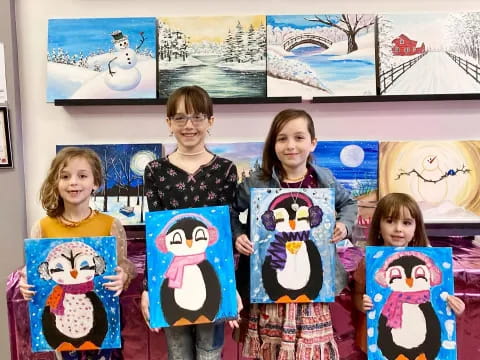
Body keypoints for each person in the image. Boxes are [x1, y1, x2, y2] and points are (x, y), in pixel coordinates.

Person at [232, 108, 357, 360]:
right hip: (269, 291)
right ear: (273, 144)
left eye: (299, 138)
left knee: (311, 351)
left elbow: (349, 204)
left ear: (313, 143)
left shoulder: (323, 180)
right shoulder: (257, 182)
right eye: (282, 138)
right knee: (270, 350)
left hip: (312, 288)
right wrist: (237, 236)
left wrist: (344, 225)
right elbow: (230, 212)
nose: (291, 145)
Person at [140, 85, 241, 360]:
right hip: (171, 278)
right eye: (180, 118)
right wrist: (148, 289)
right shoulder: (155, 171)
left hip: (215, 276)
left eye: (197, 117)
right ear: (168, 122)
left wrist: (231, 288)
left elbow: (228, 230)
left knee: (210, 353)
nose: (189, 125)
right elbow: (155, 234)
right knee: (178, 354)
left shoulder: (225, 170)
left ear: (211, 121)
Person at [18, 146, 136, 360]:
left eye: (82, 176)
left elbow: (124, 264)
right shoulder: (43, 227)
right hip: (61, 318)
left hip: (102, 318)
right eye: (65, 176)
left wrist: (123, 277)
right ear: (56, 182)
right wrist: (26, 282)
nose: (73, 182)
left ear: (95, 183)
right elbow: (34, 270)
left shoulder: (111, 224)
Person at [352, 192, 465, 354]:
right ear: (378, 225)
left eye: (406, 223)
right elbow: (356, 294)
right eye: (390, 221)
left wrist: (456, 308)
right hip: (378, 346)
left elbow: (443, 302)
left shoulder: (431, 263)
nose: (398, 229)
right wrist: (362, 304)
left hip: (422, 345)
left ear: (415, 228)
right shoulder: (369, 263)